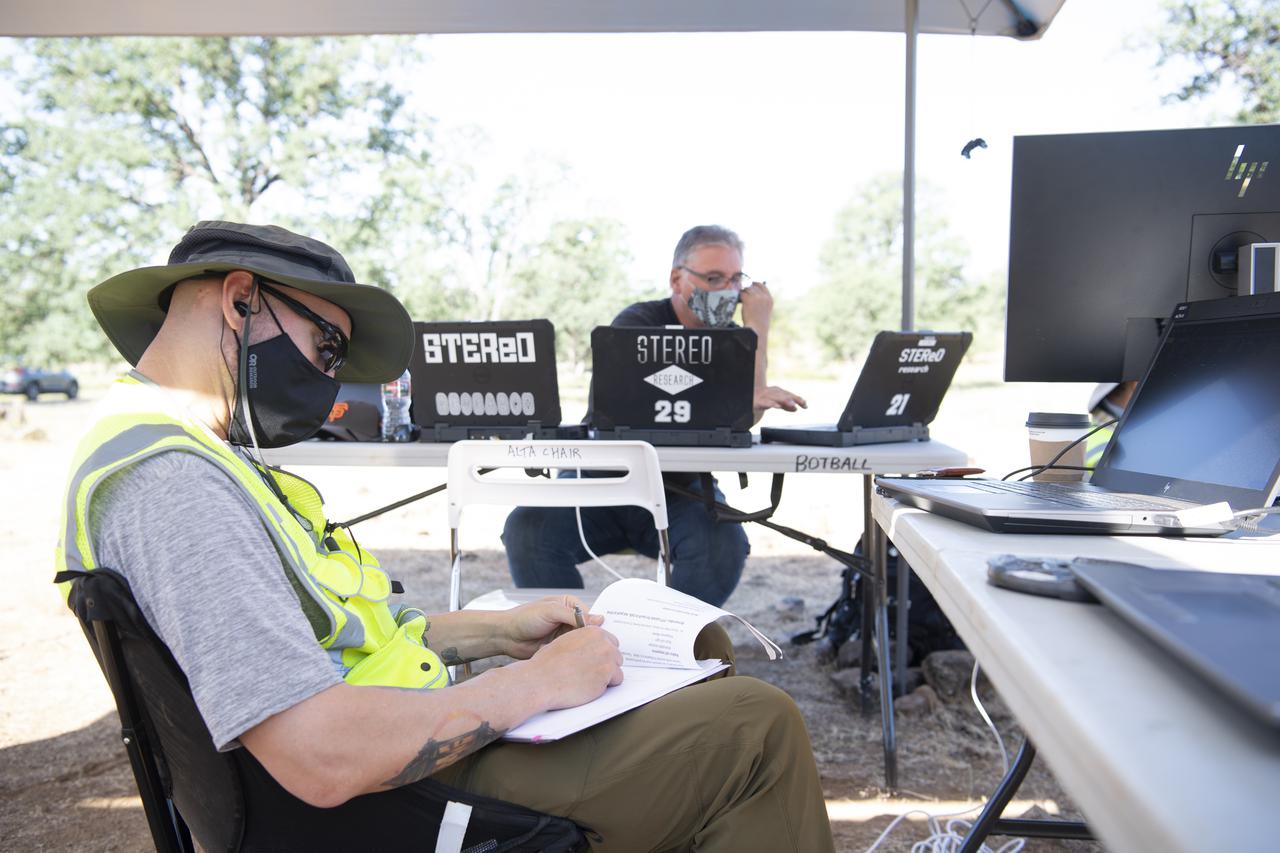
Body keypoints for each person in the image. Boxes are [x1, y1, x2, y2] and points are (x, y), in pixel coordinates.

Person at [54, 221, 835, 852]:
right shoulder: (173, 482)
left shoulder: (178, 453)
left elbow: (311, 644)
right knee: (755, 729)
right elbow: (319, 755)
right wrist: (536, 684)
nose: (331, 380)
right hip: (391, 805)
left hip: (389, 762)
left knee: (708, 673)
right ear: (239, 302)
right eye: (328, 346)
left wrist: (495, 631)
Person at [503, 225, 807, 607]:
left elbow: (747, 416)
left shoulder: (734, 338)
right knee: (527, 531)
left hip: (682, 491)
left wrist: (757, 330)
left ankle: (669, 643)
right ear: (677, 279)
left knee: (723, 545)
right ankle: (571, 643)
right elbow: (621, 407)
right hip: (601, 480)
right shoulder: (637, 322)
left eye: (735, 280)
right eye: (714, 278)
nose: (727, 291)